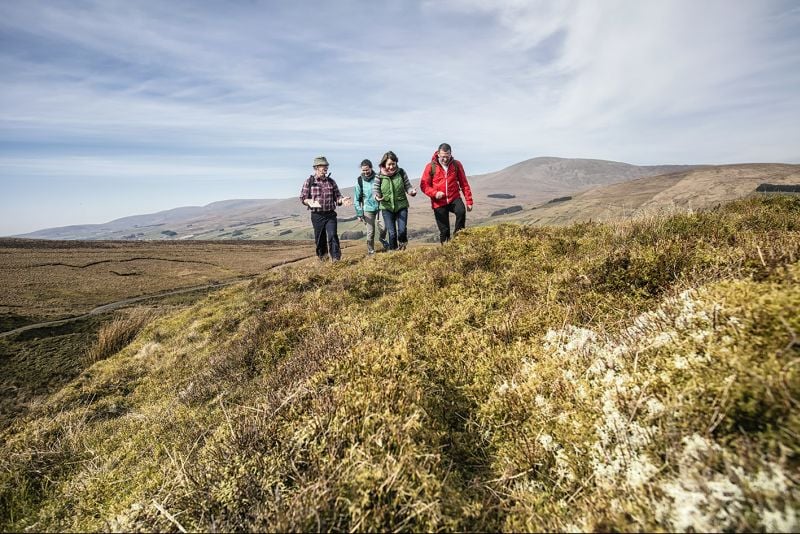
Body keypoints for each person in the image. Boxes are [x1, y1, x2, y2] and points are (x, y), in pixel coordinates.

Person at [419, 142, 473, 243]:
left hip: (454, 198)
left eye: (447, 156)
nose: (445, 159)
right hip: (438, 202)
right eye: (443, 156)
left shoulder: (456, 164)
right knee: (444, 231)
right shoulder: (430, 166)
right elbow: (424, 185)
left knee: (461, 211)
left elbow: (464, 183)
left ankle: (458, 239)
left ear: (450, 154)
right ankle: (446, 251)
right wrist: (435, 193)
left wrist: (469, 201)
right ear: (438, 154)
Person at [299, 156, 350, 261]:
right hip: (317, 215)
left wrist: (342, 200)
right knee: (320, 239)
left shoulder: (331, 182)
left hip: (330, 214)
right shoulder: (309, 182)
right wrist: (308, 201)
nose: (325, 168)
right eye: (323, 166)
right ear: (316, 167)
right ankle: (323, 259)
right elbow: (303, 197)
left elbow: (337, 197)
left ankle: (336, 259)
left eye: (326, 166)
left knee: (333, 236)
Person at [373, 151, 417, 251]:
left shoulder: (401, 172)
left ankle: (402, 245)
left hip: (401, 206)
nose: (391, 166)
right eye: (389, 164)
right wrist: (377, 197)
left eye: (393, 164)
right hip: (386, 207)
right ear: (384, 163)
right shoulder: (379, 176)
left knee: (402, 230)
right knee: (392, 233)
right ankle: (393, 252)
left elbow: (408, 186)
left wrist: (412, 192)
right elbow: (375, 190)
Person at [353, 159, 389, 255]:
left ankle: (382, 238)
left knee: (384, 227)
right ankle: (371, 250)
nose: (365, 172)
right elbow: (356, 199)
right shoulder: (359, 181)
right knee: (370, 232)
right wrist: (359, 213)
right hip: (367, 209)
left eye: (367, 170)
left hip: (380, 207)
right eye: (363, 170)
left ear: (371, 168)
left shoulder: (378, 177)